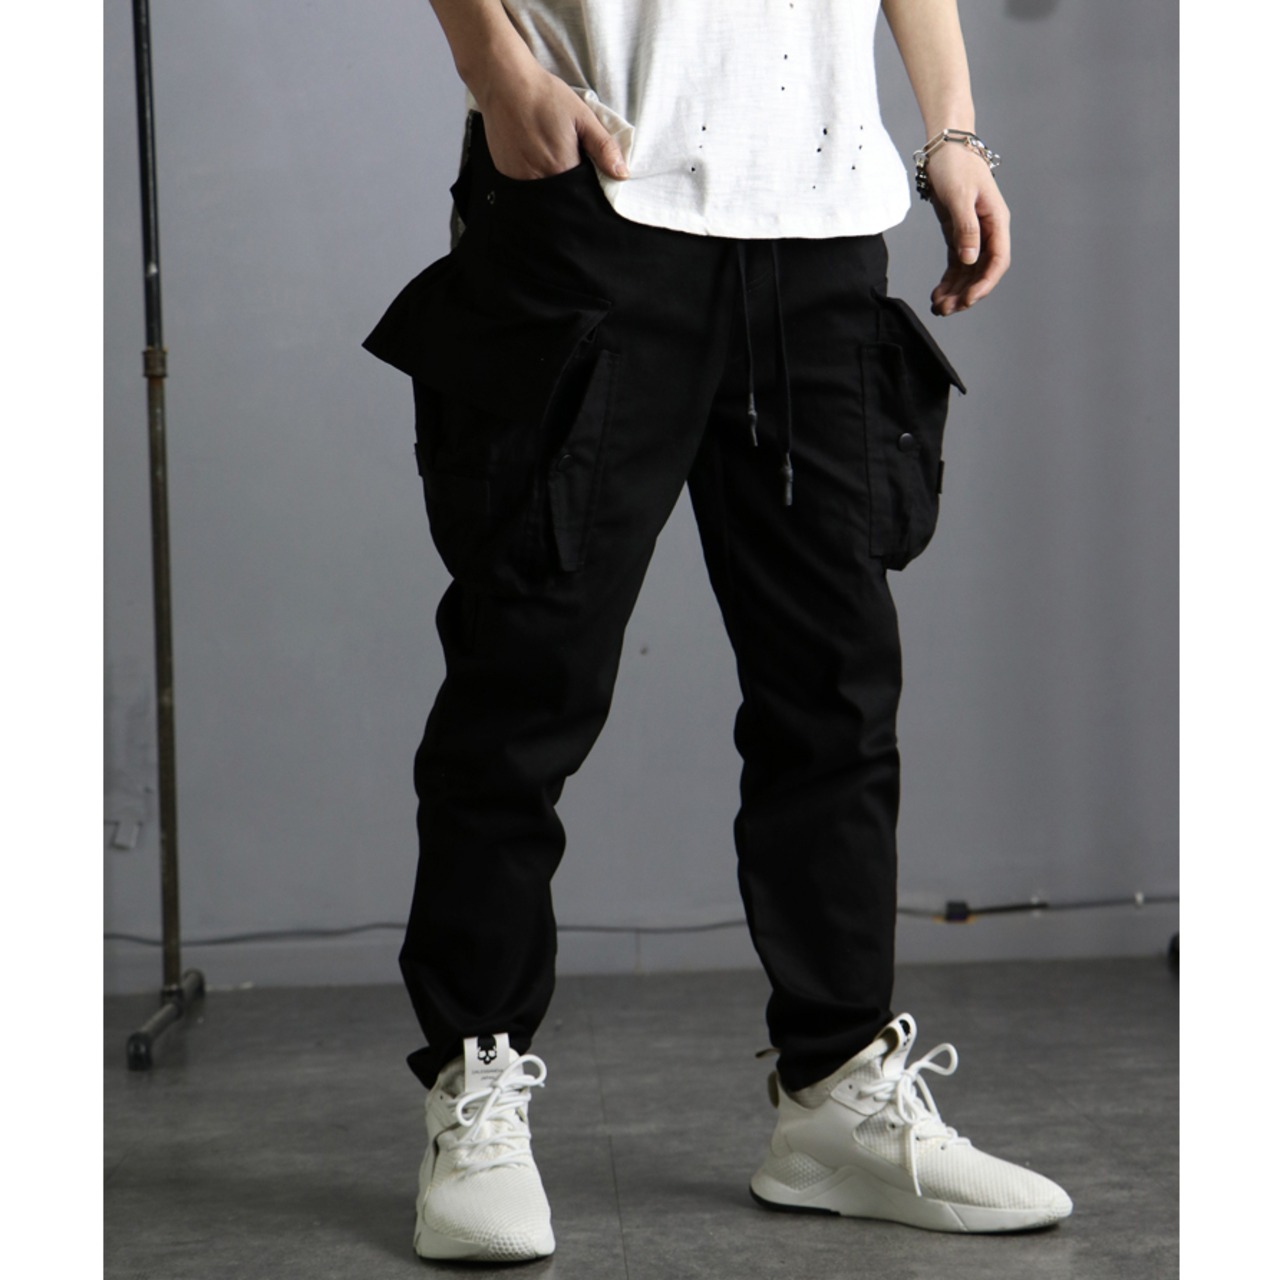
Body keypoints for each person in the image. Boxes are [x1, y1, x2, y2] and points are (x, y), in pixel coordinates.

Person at [364, 0, 1071, 1262]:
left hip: (821, 217)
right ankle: (474, 1083)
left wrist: (951, 129)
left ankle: (834, 1092)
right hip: (594, 194)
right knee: (525, 679)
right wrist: (494, 68)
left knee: (834, 688)